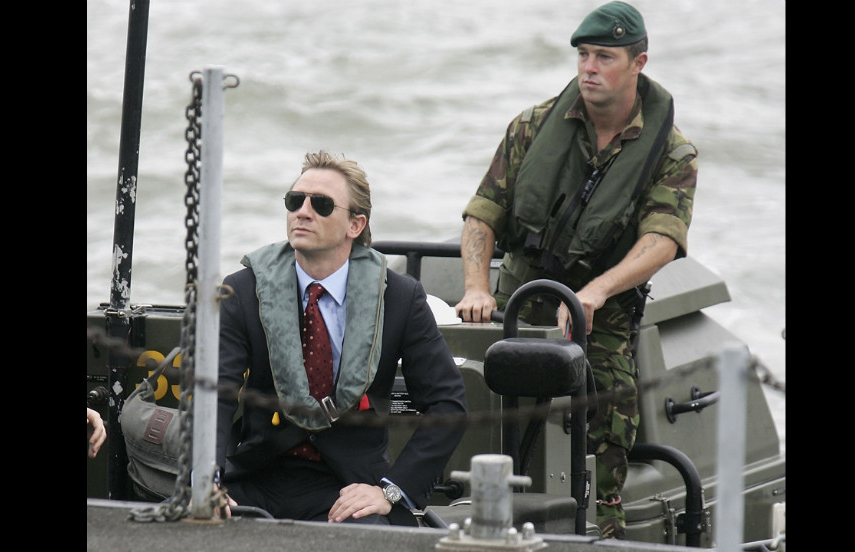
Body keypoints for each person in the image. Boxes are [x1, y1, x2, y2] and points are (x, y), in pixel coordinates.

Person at [454, 1, 697, 539]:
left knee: (610, 415)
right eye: (583, 55)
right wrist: (475, 287)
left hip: (601, 310)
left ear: (638, 63)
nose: (588, 67)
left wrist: (595, 292)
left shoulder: (671, 155)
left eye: (603, 56)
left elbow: (661, 240)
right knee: (479, 407)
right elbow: (481, 214)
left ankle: (602, 532)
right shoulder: (532, 126)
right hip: (520, 295)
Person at [214, 150, 469, 526]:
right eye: (294, 200)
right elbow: (213, 394)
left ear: (355, 225)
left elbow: (448, 406)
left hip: (349, 484)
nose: (303, 211)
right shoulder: (244, 291)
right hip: (257, 475)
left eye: (321, 204)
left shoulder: (398, 298)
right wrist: (207, 480)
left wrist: (390, 490)